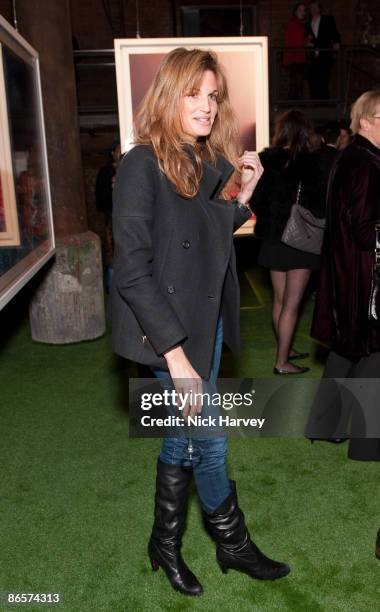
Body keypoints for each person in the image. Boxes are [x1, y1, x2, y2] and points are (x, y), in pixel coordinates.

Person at [111, 48, 290, 597]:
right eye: (194, 93)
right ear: (169, 94)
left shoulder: (202, 161)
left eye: (213, 95)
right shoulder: (142, 163)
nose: (207, 106)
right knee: (209, 440)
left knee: (181, 434)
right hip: (167, 332)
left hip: (205, 320)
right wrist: (176, 358)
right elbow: (132, 271)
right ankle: (230, 542)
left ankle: (163, 539)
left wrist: (247, 194)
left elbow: (207, 234)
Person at [308, 90, 380, 461]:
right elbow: (366, 230)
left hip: (345, 273)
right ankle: (368, 445)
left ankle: (325, 424)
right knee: (372, 353)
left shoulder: (349, 157)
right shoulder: (367, 163)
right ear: (365, 120)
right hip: (365, 279)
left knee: (345, 349)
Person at [252, 110, 326, 375]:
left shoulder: (267, 160)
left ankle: (285, 348)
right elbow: (320, 203)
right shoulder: (313, 162)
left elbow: (257, 200)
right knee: (292, 306)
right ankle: (282, 362)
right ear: (306, 130)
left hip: (273, 238)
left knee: (280, 302)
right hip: (300, 240)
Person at [95, 140, 121, 291]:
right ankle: (111, 285)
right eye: (117, 150)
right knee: (112, 248)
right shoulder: (106, 172)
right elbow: (101, 195)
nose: (119, 152)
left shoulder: (129, 169)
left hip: (128, 217)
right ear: (112, 154)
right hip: (112, 215)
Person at [305, 1, 341, 99]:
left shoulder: (327, 19)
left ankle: (324, 105)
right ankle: (315, 104)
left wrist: (337, 42)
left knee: (324, 81)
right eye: (311, 7)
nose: (312, 9)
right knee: (313, 81)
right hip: (313, 57)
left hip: (325, 54)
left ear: (319, 8)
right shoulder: (308, 23)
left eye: (314, 7)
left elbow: (335, 33)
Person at [283, 3, 308, 100]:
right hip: (294, 58)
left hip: (297, 58)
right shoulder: (293, 23)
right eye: (300, 10)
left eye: (304, 10)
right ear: (295, 12)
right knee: (296, 84)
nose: (302, 12)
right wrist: (307, 41)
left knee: (296, 84)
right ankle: (294, 106)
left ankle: (294, 106)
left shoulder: (298, 23)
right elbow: (296, 42)